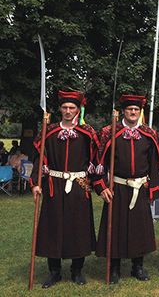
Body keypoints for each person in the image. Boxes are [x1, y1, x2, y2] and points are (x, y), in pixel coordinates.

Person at [30, 90, 99, 288]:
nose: (68, 111)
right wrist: (36, 183)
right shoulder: (49, 131)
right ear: (60, 109)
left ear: (78, 110)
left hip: (78, 187)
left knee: (78, 228)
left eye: (72, 108)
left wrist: (98, 185)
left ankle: (77, 270)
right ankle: (54, 271)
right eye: (65, 107)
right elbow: (39, 158)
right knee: (54, 227)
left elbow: (96, 161)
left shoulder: (87, 134)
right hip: (54, 186)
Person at [92, 95, 159, 283]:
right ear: (123, 111)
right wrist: (101, 186)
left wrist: (153, 187)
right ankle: (114, 267)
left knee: (139, 228)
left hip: (140, 187)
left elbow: (154, 163)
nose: (133, 112)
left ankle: (137, 266)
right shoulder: (109, 132)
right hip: (118, 188)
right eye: (130, 109)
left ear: (140, 112)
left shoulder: (149, 134)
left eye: (136, 110)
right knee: (115, 227)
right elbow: (98, 163)